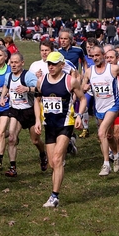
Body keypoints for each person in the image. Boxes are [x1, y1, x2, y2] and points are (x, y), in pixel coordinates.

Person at [34, 51, 86, 207]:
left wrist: (79, 115)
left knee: (57, 160)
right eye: (49, 64)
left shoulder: (70, 81)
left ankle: (54, 196)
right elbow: (37, 101)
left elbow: (82, 99)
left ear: (62, 65)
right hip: (49, 125)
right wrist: (37, 119)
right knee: (52, 163)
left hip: (66, 123)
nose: (51, 67)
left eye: (54, 64)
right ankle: (69, 145)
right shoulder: (41, 81)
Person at [82, 45, 119, 176]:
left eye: (98, 55)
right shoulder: (89, 72)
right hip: (99, 107)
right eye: (93, 56)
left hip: (113, 105)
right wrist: (84, 88)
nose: (95, 58)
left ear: (103, 55)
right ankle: (116, 155)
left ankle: (106, 164)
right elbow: (83, 87)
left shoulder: (113, 69)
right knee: (109, 136)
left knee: (101, 132)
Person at [0, 52, 48, 177]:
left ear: (22, 63)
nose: (13, 65)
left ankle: (43, 154)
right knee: (11, 139)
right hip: (16, 111)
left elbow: (41, 89)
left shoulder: (28, 76)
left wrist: (27, 89)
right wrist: (3, 97)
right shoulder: (8, 76)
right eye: (12, 62)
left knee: (35, 141)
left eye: (16, 62)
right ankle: (12, 168)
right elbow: (6, 86)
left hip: (30, 111)